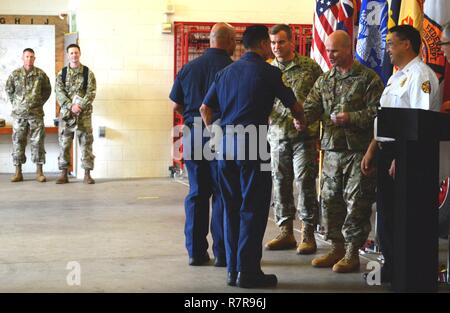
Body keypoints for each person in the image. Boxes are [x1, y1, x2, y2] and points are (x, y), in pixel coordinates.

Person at [200, 25, 306, 288]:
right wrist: (300, 121)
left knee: (231, 207)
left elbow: (205, 107)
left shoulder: (224, 73)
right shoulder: (269, 72)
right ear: (261, 44)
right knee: (253, 209)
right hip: (254, 142)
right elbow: (294, 106)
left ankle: (232, 270)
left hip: (226, 145)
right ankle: (248, 272)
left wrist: (216, 134)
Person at [361, 25, 440, 283]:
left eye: (391, 44)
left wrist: (403, 157)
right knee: (387, 216)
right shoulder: (397, 76)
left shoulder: (421, 76)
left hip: (407, 155)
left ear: (407, 44)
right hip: (389, 151)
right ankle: (393, 268)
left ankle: (408, 272)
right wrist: (373, 150)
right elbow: (385, 120)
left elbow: (422, 121)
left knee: (405, 218)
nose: (388, 50)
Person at [303, 30, 384, 273]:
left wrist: (352, 117)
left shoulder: (368, 79)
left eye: (335, 51)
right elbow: (311, 106)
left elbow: (380, 114)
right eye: (328, 51)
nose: (330, 55)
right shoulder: (325, 79)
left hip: (358, 151)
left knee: (357, 203)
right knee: (329, 202)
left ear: (349, 49)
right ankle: (336, 248)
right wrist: (301, 119)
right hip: (332, 150)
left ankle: (352, 253)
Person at [169, 23, 236, 267]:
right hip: (223, 136)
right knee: (222, 193)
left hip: (193, 134)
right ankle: (222, 253)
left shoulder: (188, 68)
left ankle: (196, 253)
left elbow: (175, 104)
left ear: (210, 40)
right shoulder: (233, 69)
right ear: (229, 41)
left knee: (197, 193)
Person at [264, 24, 322, 254]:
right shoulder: (268, 70)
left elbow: (321, 98)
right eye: (273, 43)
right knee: (280, 182)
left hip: (304, 136)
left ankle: (308, 233)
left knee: (305, 182)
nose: (277, 47)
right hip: (278, 136)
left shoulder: (309, 67)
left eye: (281, 42)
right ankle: (286, 231)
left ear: (292, 42)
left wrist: (316, 126)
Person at [5, 48, 51, 183]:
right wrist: (17, 104)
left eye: (31, 57)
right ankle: (18, 172)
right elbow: (9, 90)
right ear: (22, 58)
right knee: (18, 141)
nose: (29, 59)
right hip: (19, 115)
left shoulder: (41, 75)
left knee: (38, 142)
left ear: (34, 58)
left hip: (36, 114)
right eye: (27, 56)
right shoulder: (15, 74)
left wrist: (38, 103)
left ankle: (39, 172)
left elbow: (47, 91)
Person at [55, 44, 96, 184]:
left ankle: (87, 174)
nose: (74, 55)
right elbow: (59, 92)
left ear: (80, 54)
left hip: (83, 116)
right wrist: (70, 106)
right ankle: (64, 173)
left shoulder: (87, 73)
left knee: (86, 144)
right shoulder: (62, 73)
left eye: (76, 53)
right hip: (67, 116)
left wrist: (80, 106)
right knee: (64, 144)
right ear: (68, 55)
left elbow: (91, 92)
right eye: (71, 53)